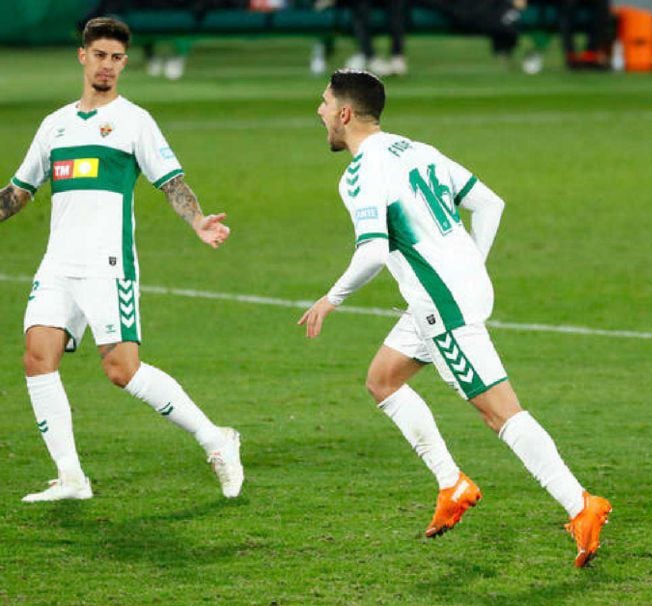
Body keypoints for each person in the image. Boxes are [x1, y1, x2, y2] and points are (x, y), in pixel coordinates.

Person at [299, 70, 611, 567]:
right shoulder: (416, 149)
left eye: (323, 103)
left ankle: (580, 504)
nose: (318, 112)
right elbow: (489, 203)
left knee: (498, 411)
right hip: (455, 290)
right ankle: (453, 484)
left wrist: (329, 299)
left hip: (441, 303)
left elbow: (373, 252)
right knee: (383, 380)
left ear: (344, 113)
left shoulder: (359, 174)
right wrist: (470, 263)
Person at [0, 17, 243, 502]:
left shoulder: (134, 120)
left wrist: (197, 221)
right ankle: (71, 478)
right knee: (36, 358)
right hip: (57, 265)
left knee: (122, 371)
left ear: (124, 63)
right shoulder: (56, 125)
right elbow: (18, 192)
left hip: (107, 265)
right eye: (100, 56)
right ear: (82, 56)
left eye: (116, 58)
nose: (107, 66)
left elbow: (170, 182)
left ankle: (216, 439)